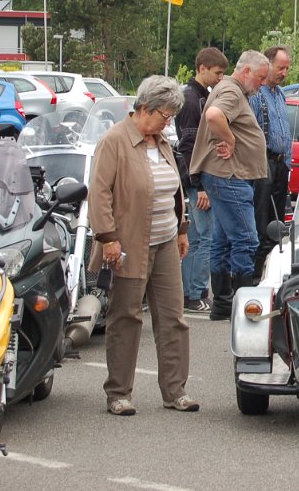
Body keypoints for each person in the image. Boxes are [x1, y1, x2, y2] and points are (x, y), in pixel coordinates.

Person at [89, 75, 198, 416]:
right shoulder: (115, 141)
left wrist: (181, 230)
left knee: (173, 318)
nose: (168, 124)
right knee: (126, 317)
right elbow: (100, 193)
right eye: (165, 116)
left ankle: (175, 390)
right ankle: (118, 393)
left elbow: (174, 190)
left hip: (165, 239)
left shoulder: (161, 142)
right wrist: (108, 237)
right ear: (145, 109)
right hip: (128, 243)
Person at [190, 50, 269, 321]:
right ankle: (244, 307)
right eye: (260, 78)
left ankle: (223, 304)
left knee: (222, 241)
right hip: (229, 177)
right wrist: (231, 140)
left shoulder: (229, 89)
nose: (261, 84)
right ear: (246, 72)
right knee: (247, 240)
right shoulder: (233, 92)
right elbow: (213, 115)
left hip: (224, 176)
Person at [176, 47, 228, 313]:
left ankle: (190, 292)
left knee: (196, 238)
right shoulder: (190, 99)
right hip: (198, 181)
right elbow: (189, 146)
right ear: (202, 68)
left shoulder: (202, 97)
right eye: (217, 73)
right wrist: (198, 185)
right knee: (202, 238)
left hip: (200, 178)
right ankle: (194, 293)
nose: (220, 78)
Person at [249, 45, 292, 280]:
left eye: (287, 68)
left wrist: (287, 162)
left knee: (277, 222)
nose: (284, 72)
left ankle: (272, 267)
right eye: (280, 67)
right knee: (261, 218)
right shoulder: (256, 95)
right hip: (262, 161)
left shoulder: (280, 94)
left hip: (280, 164)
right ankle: (256, 272)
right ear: (267, 65)